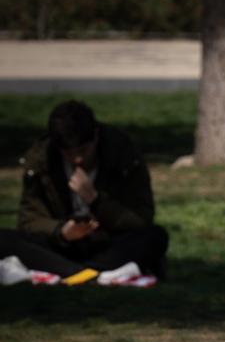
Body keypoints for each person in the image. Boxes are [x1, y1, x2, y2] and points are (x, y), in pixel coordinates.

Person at [0, 100, 168, 287]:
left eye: (83, 150)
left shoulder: (123, 154)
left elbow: (141, 218)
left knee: (154, 236)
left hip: (108, 243)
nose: (77, 159)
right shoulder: (42, 160)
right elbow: (28, 220)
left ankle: (75, 273)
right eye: (69, 153)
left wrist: (96, 201)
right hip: (62, 246)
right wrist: (61, 231)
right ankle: (91, 275)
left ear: (96, 136)